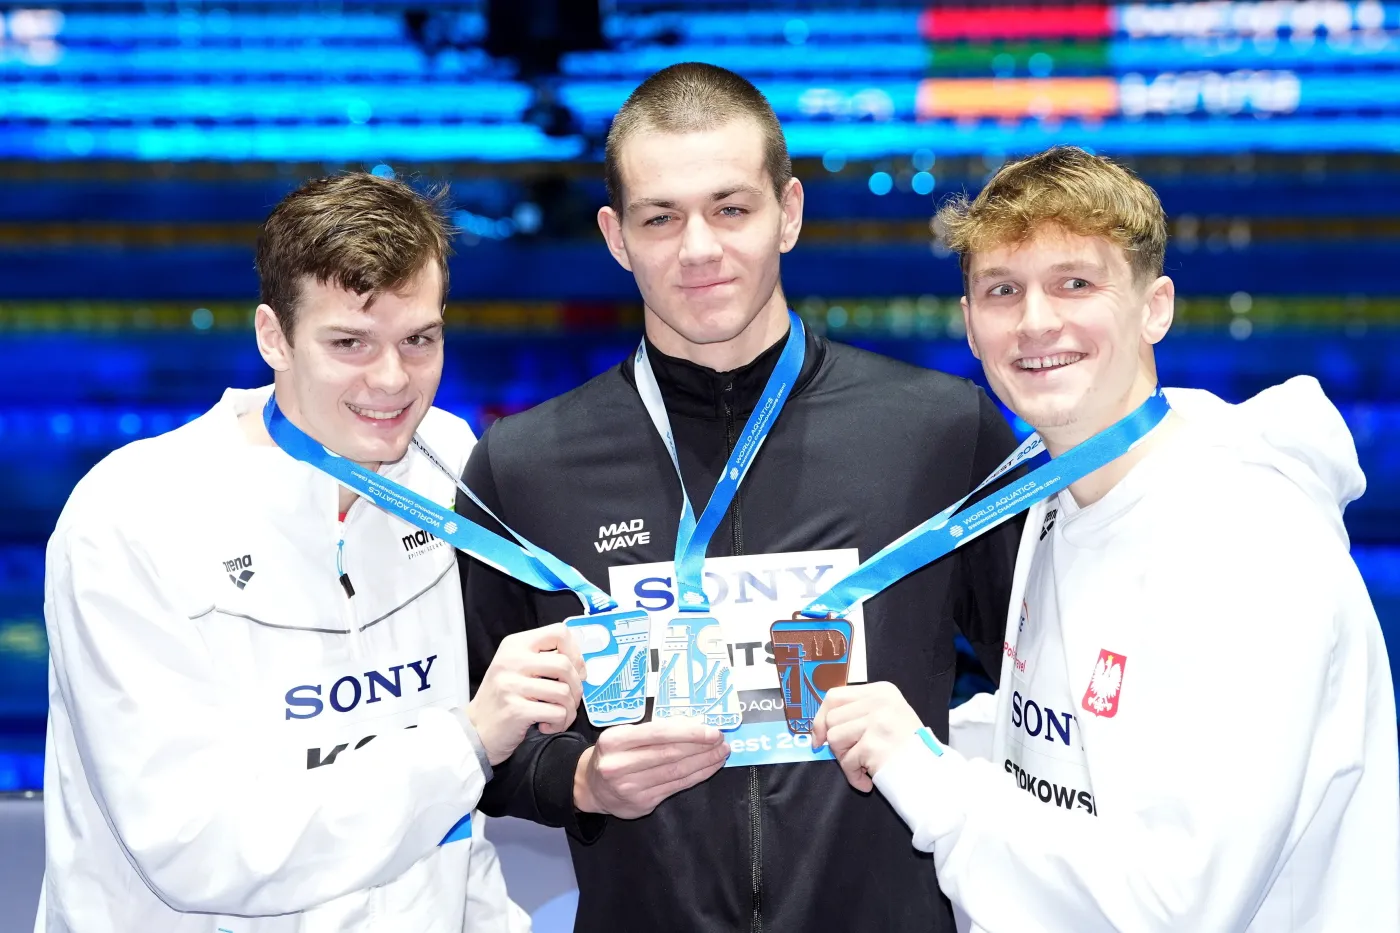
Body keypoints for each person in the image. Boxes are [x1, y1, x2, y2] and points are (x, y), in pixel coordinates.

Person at [459, 62, 1022, 933]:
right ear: (616, 236)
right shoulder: (524, 465)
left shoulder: (939, 432)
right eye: (660, 217)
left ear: (788, 212)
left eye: (731, 209)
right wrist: (579, 780)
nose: (699, 248)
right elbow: (478, 742)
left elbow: (1041, 688)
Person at [813, 146, 1400, 932]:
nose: (1035, 321)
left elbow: (1176, 905)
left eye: (1074, 283)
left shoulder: (1247, 539)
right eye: (1002, 290)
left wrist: (923, 770)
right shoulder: (1060, 491)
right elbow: (1068, 747)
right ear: (969, 324)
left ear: (1154, 307)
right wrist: (912, 731)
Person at [37, 172, 583, 932]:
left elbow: (450, 838)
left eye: (419, 339)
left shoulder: (447, 464)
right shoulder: (133, 515)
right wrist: (463, 743)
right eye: (349, 343)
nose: (392, 380)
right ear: (274, 336)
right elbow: (197, 844)